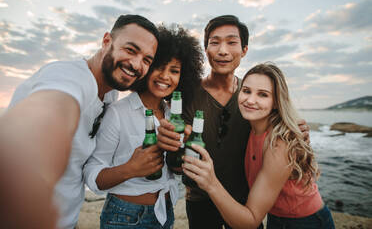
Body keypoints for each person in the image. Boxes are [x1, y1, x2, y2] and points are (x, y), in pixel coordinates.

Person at [0, 14, 159, 229]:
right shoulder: (69, 77)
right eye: (130, 50)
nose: (136, 64)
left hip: (68, 219)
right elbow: (49, 113)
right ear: (106, 42)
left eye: (146, 60)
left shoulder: (110, 94)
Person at [157, 15, 310, 229]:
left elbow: (279, 129)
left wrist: (296, 129)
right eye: (215, 42)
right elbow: (173, 152)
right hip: (199, 201)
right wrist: (170, 145)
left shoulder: (252, 100)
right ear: (205, 49)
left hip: (244, 201)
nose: (222, 50)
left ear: (244, 50)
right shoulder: (185, 94)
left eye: (231, 42)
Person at [183, 63, 335, 229]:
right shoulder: (251, 126)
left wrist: (211, 183)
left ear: (276, 102)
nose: (250, 100)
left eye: (263, 95)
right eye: (246, 91)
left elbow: (251, 221)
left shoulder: (279, 142)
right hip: (276, 219)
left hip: (306, 222)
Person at [83, 25, 204, 229]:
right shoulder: (117, 113)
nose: (166, 76)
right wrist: (130, 169)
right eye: (159, 67)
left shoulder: (174, 117)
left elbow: (173, 169)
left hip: (165, 213)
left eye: (174, 71)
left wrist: (180, 160)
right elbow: (92, 174)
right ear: (146, 67)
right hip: (124, 217)